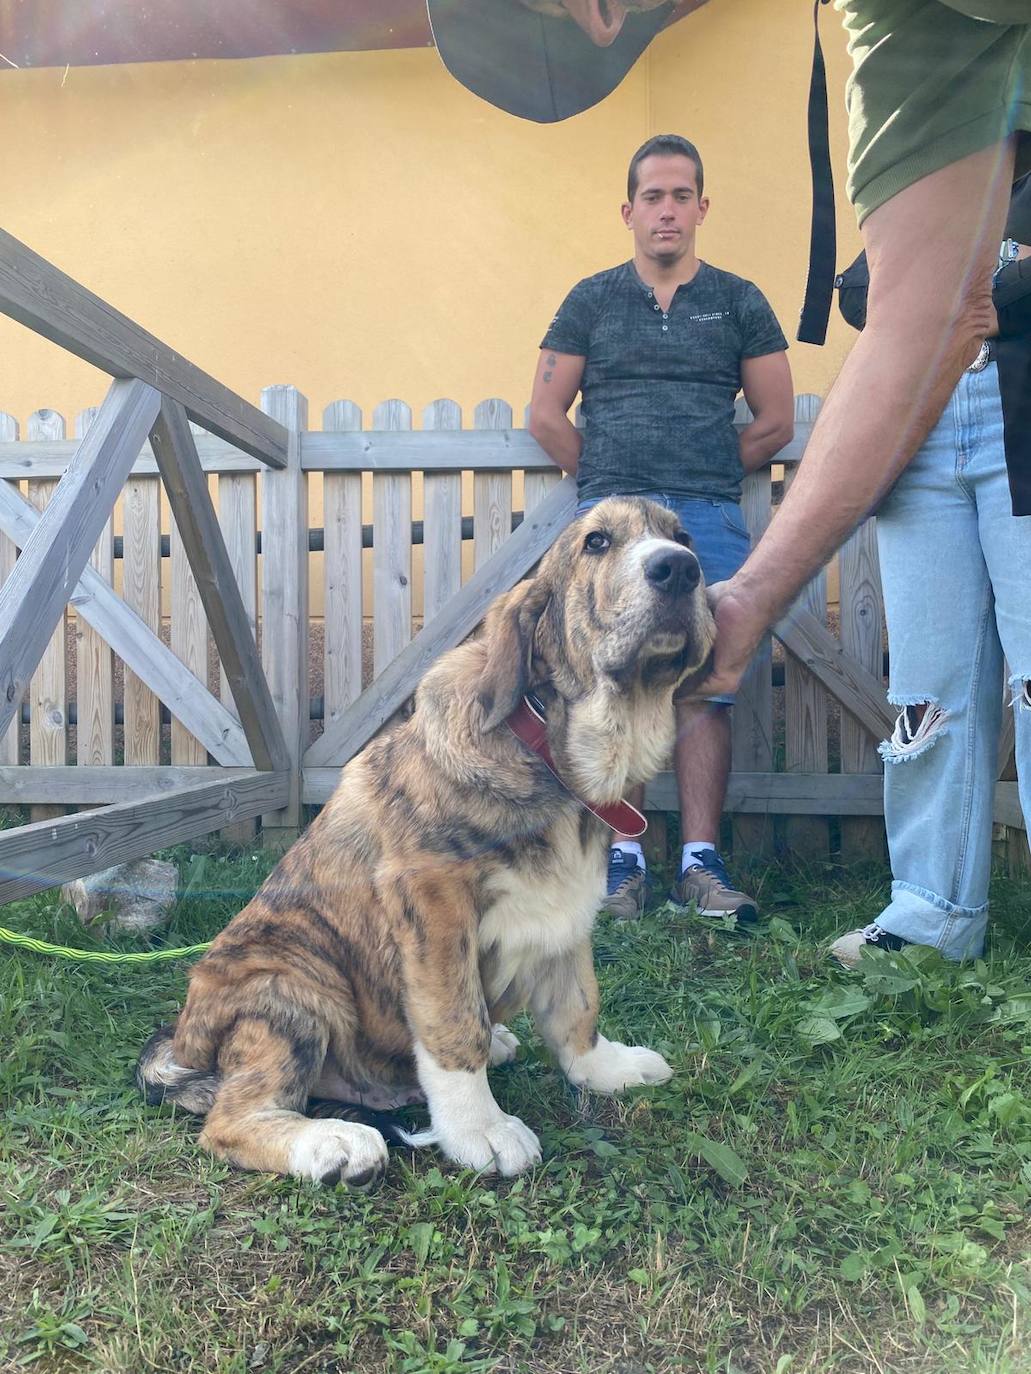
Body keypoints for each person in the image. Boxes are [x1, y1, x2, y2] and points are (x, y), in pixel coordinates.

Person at [528, 134, 794, 922]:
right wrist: (613, 488)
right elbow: (546, 414)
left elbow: (774, 420)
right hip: (609, 525)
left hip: (704, 516)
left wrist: (702, 472)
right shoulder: (591, 299)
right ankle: (622, 863)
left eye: (681, 196)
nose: (667, 210)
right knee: (613, 682)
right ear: (629, 211)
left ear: (701, 208)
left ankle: (700, 864)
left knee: (707, 688)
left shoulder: (739, 300)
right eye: (652, 197)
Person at [829, 178, 1031, 965]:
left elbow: (908, 291)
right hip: (922, 414)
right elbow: (857, 291)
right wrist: (997, 273)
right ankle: (932, 915)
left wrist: (949, 283)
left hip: (1019, 411)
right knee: (927, 690)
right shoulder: (936, 167)